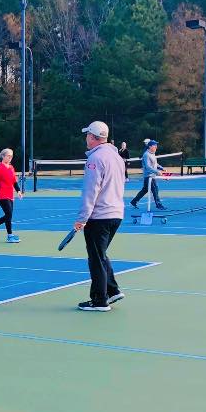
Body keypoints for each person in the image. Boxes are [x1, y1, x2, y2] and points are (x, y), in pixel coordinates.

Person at [73, 121, 125, 311]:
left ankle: (99, 300)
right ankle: (112, 290)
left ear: (93, 137)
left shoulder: (95, 159)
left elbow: (90, 190)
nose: (86, 138)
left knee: (95, 257)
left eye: (87, 135)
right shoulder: (117, 157)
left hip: (100, 216)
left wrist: (82, 217)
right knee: (100, 254)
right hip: (116, 214)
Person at [0, 147, 23, 243]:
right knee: (8, 214)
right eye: (8, 156)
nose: (10, 158)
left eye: (11, 156)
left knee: (8, 215)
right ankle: (9, 236)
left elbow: (14, 182)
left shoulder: (11, 168)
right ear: (3, 156)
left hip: (10, 194)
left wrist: (18, 191)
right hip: (1, 195)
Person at [130, 139, 167, 210]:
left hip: (151, 176)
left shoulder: (152, 154)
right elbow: (148, 167)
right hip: (149, 176)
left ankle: (134, 201)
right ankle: (158, 205)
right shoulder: (146, 155)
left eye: (156, 145)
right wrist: (157, 172)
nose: (156, 147)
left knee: (145, 190)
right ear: (150, 146)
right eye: (154, 145)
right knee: (155, 189)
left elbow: (155, 164)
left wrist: (162, 168)